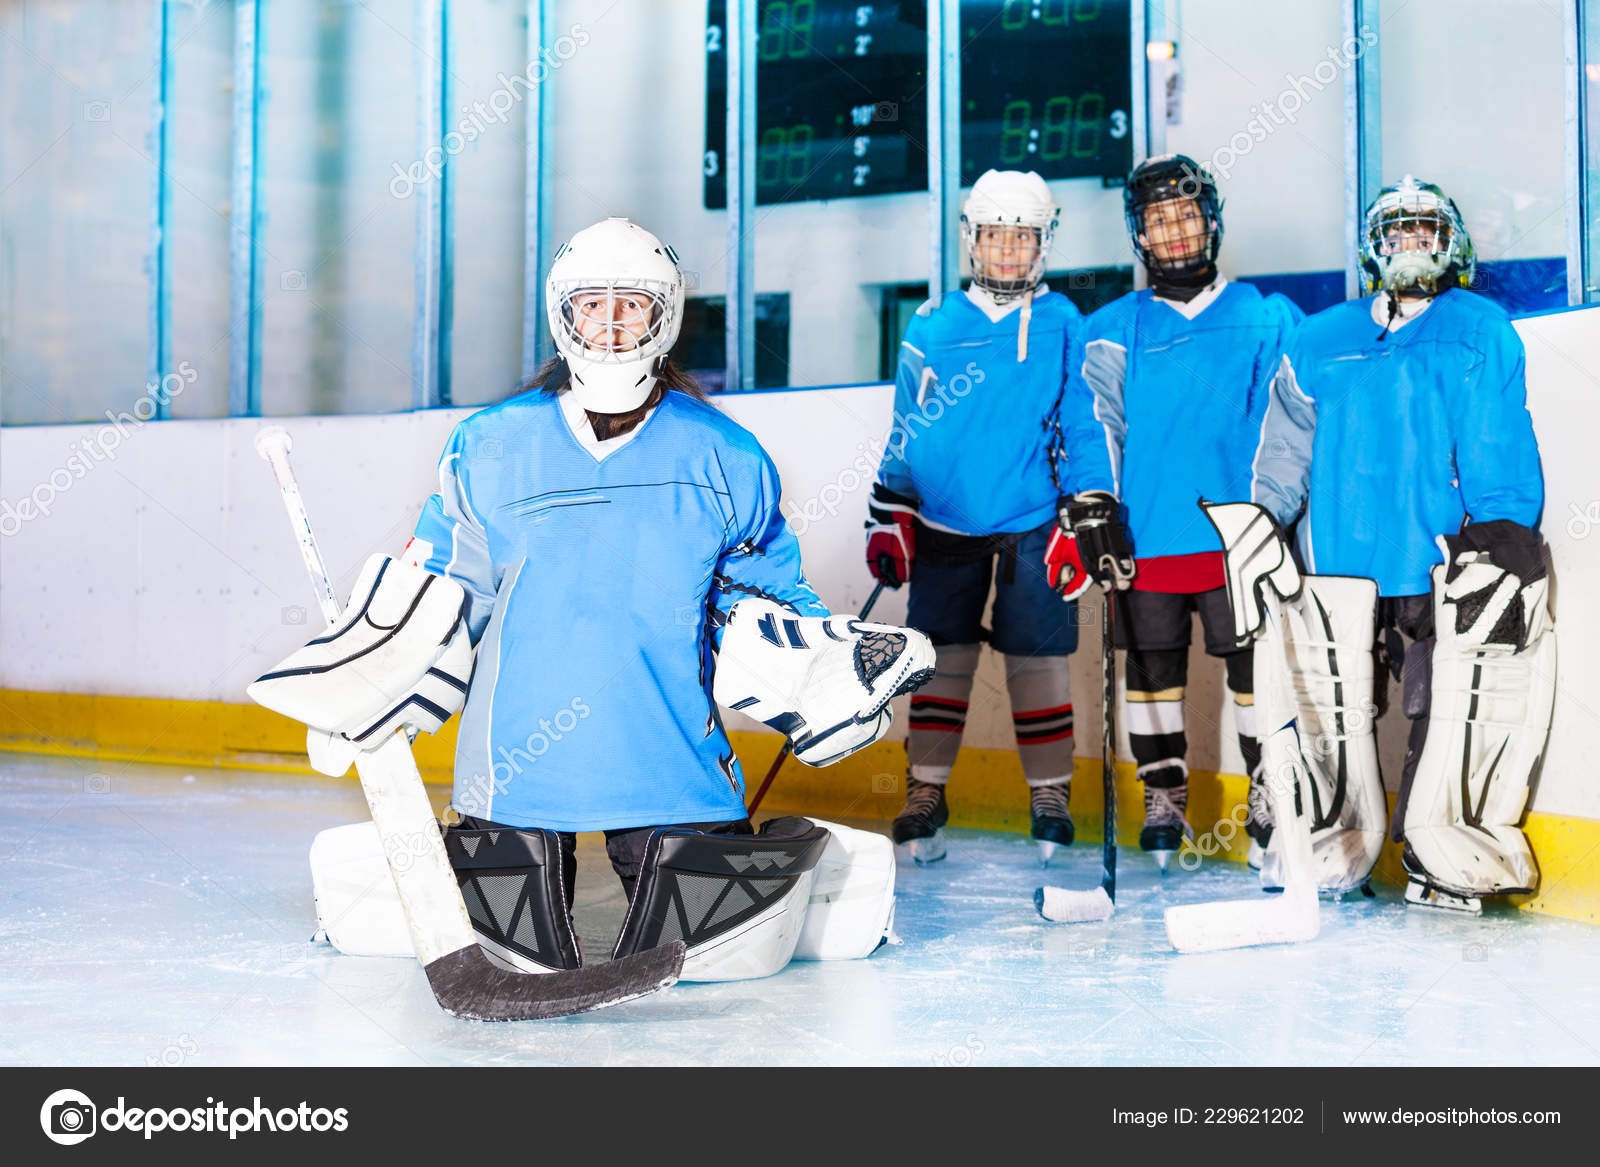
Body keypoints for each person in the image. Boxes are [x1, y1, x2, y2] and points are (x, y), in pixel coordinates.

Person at [262, 218, 933, 977]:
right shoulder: (490, 444)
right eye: (592, 303)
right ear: (563, 315)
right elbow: (445, 590)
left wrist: (830, 670)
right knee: (515, 944)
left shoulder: (726, 455)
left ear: (664, 316)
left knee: (706, 945)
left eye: (632, 304)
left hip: (669, 754)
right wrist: (368, 682)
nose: (611, 323)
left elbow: (763, 599)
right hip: (515, 768)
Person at [1249, 176, 1551, 911]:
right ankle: (1328, 840)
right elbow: (1285, 450)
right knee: (1330, 711)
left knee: (1439, 709)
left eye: (1424, 230)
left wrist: (1503, 523)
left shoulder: (1479, 328)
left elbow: (1494, 437)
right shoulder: (1319, 338)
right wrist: (1264, 521)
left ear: (1451, 243)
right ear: (1371, 246)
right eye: (1397, 231)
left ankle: (1432, 849)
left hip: (1435, 563)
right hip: (1340, 571)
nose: (1410, 243)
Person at [868, 169, 1125, 865]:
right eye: (994, 236)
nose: (1008, 250)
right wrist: (889, 508)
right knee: (939, 664)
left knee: (1038, 662)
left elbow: (1084, 419)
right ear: (970, 241)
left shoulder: (1066, 323)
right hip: (944, 527)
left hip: (1033, 523)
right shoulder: (931, 324)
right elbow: (905, 425)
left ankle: (1049, 792)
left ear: (1044, 244)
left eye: (1023, 237)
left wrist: (1091, 504)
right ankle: (926, 789)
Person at [1061, 154, 1303, 870]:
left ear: (1211, 221)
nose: (1173, 232)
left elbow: (1285, 424)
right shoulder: (1111, 327)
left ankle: (1271, 794)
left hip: (1237, 542)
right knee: (1152, 673)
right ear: (1139, 234)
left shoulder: (1265, 317)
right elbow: (1093, 422)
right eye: (1157, 220)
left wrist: (1268, 517)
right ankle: (1162, 795)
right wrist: (1095, 502)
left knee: (1256, 676)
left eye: (1185, 216)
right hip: (1150, 536)